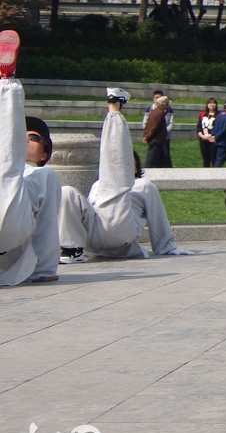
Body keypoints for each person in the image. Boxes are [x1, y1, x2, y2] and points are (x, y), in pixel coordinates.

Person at [58, 88, 193, 260]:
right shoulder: (97, 185)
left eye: (129, 162)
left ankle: (114, 112)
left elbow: (157, 216)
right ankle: (71, 248)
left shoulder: (143, 186)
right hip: (93, 232)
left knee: (116, 185)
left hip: (119, 230)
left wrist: (166, 246)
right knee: (67, 192)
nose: (122, 163)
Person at [0, 30, 63, 285]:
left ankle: (7, 80)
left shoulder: (42, 175)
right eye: (22, 135)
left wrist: (45, 268)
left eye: (34, 137)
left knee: (9, 172)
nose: (26, 139)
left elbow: (47, 224)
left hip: (10, 219)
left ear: (45, 153)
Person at [143, 89, 174, 165]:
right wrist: (147, 137)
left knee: (162, 160)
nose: (167, 105)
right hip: (156, 140)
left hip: (157, 140)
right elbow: (154, 127)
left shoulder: (156, 111)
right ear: (164, 104)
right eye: (167, 104)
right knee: (151, 160)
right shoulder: (159, 113)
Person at [197, 98, 220, 168]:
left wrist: (213, 136)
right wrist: (201, 135)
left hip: (213, 140)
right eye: (210, 103)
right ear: (207, 105)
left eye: (213, 103)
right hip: (203, 140)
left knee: (213, 159)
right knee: (205, 159)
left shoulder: (219, 115)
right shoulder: (203, 114)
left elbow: (219, 127)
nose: (211, 105)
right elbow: (199, 127)